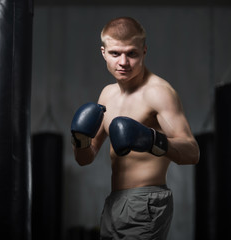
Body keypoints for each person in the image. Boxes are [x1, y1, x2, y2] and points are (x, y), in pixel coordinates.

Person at [70, 16, 199, 240]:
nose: (123, 62)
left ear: (144, 51)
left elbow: (192, 152)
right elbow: (85, 158)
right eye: (115, 54)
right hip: (114, 201)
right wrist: (80, 140)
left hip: (146, 200)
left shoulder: (158, 92)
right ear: (103, 53)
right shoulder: (107, 95)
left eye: (131, 53)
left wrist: (149, 139)